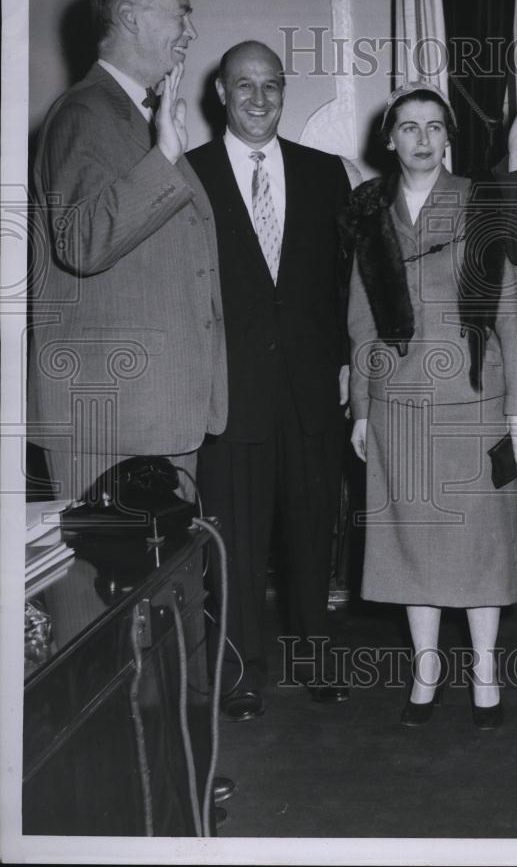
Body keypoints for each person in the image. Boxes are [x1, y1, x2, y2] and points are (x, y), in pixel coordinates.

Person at [344, 80, 517, 728]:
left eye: (434, 127)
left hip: (476, 400)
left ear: (448, 138)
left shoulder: (480, 201)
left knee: (483, 543)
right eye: (409, 127)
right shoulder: (370, 209)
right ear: (389, 139)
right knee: (413, 542)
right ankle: (425, 670)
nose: (422, 139)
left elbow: (512, 309)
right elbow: (361, 320)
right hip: (398, 404)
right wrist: (362, 409)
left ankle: (485, 671)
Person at [186, 41, 353, 717]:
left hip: (313, 390)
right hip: (229, 392)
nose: (258, 98)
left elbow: (346, 280)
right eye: (244, 85)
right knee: (235, 540)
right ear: (220, 93)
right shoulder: (187, 173)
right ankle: (239, 671)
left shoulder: (325, 173)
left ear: (284, 91)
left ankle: (317, 657)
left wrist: (350, 361)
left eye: (271, 85)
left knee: (312, 531)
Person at [29, 0, 227, 502]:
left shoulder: (140, 115)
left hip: (153, 416)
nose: (191, 30)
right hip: (110, 423)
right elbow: (83, 242)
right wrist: (164, 158)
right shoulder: (83, 112)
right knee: (112, 563)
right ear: (130, 16)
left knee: (173, 561)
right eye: (181, 12)